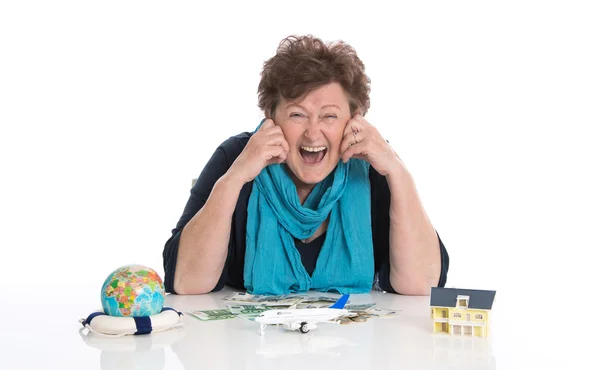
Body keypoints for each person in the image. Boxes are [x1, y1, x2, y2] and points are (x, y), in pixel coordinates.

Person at [163, 35, 449, 296]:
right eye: (297, 115)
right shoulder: (236, 156)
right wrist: (235, 177)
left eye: (329, 117)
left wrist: (398, 173)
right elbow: (187, 282)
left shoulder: (374, 163)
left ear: (354, 120)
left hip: (357, 349)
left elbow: (421, 285)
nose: (313, 133)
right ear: (270, 118)